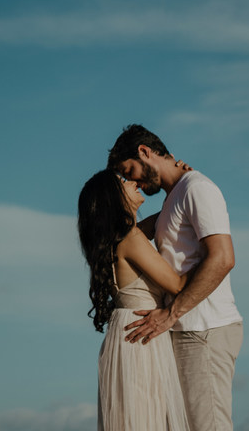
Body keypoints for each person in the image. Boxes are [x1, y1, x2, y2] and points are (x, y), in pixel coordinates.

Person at [108, 124, 242, 431]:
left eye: (130, 171)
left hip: (205, 329)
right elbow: (127, 239)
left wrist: (171, 313)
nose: (133, 181)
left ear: (144, 152)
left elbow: (223, 258)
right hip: (184, 329)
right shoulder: (175, 197)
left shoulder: (197, 188)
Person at [78, 168, 191, 429]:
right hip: (141, 335)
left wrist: (178, 189)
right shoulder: (131, 238)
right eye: (122, 182)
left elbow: (163, 218)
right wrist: (213, 256)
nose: (132, 182)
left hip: (126, 332)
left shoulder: (116, 238)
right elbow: (177, 284)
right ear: (112, 198)